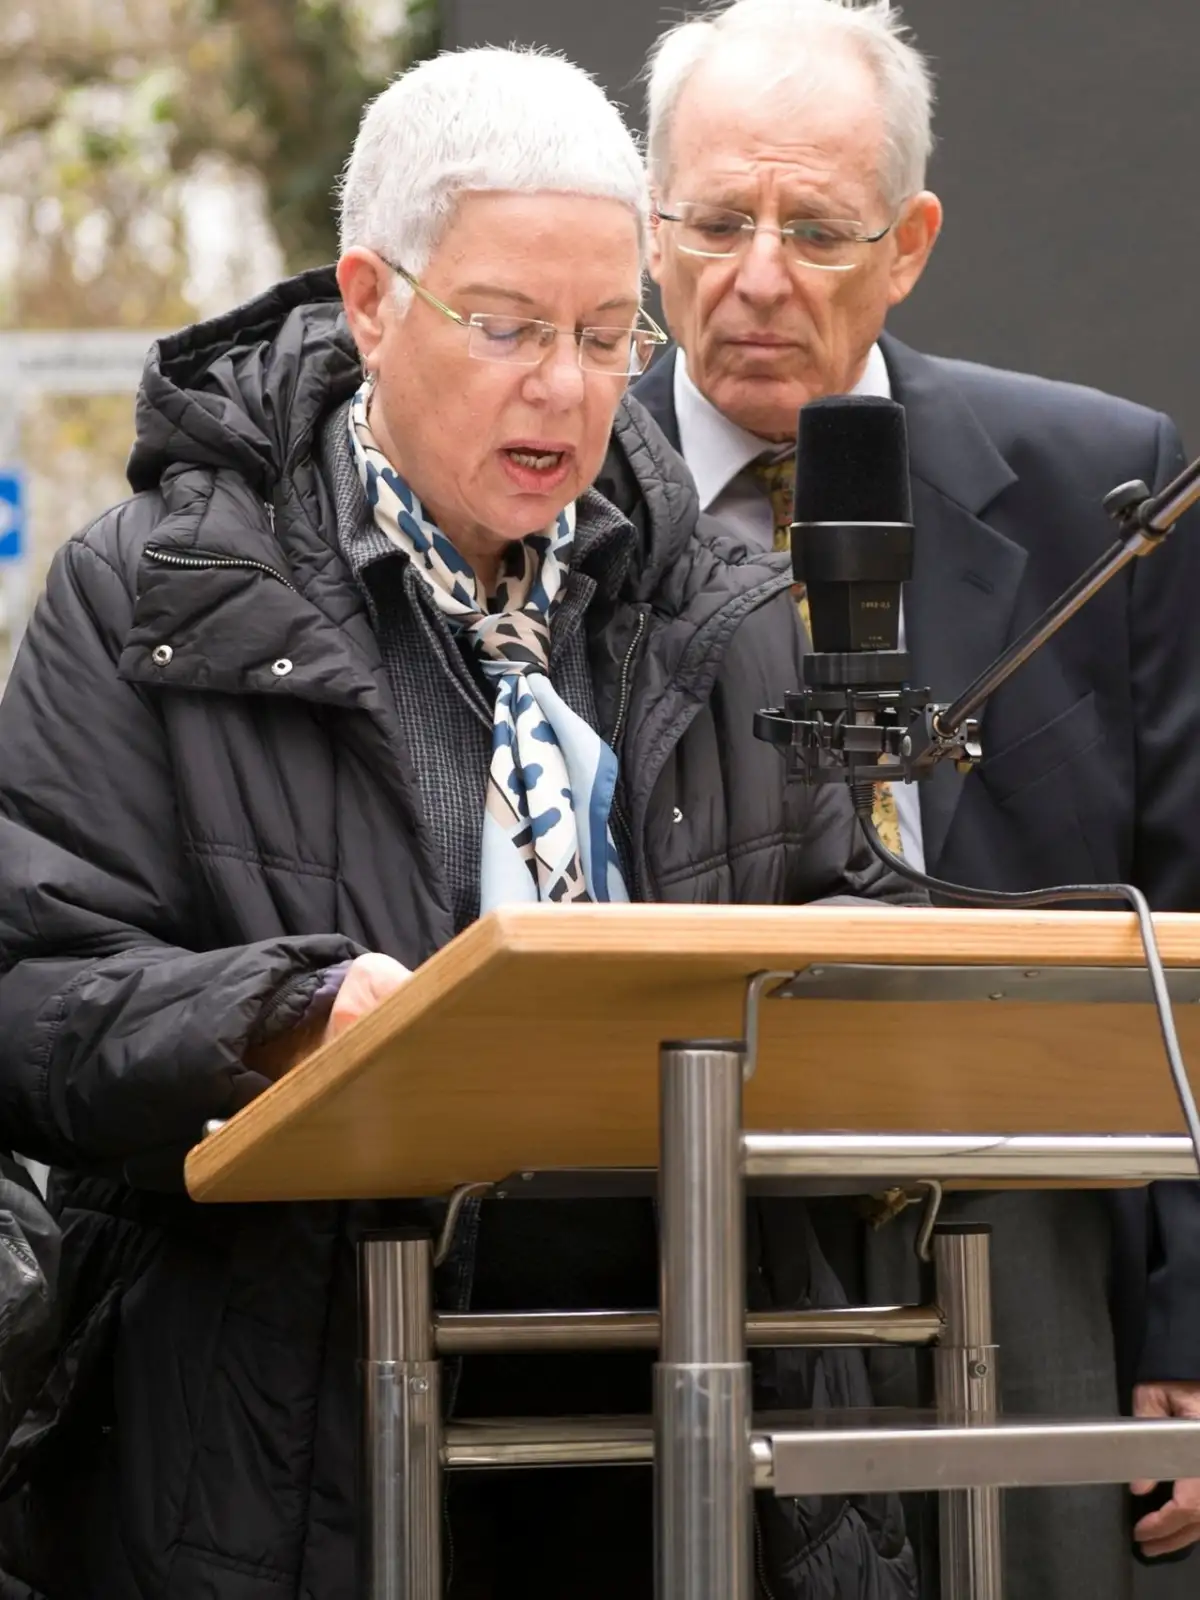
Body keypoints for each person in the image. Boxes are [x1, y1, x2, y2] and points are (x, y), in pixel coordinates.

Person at [0, 44, 923, 1600]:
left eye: (605, 333)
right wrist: (285, 1016)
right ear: (371, 300)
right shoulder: (148, 594)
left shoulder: (733, 603)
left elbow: (843, 929)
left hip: (685, 1453)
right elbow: (32, 996)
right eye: (504, 328)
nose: (563, 387)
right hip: (297, 1456)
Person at [631, 0, 1200, 1594]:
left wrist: (1189, 1321)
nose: (756, 276)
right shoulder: (559, 500)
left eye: (815, 230)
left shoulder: (1095, 485)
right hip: (664, 1209)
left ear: (911, 242)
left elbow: (1192, 913)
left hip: (1025, 1218)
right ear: (646, 225)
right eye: (715, 219)